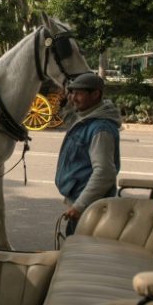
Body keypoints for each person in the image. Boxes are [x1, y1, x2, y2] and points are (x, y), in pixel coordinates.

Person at [55, 72, 122, 236]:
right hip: (81, 203)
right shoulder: (87, 117)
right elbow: (66, 115)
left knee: (77, 254)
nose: (73, 98)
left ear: (95, 94)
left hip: (88, 209)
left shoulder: (100, 129)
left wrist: (79, 206)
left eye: (78, 93)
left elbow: (104, 173)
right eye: (72, 93)